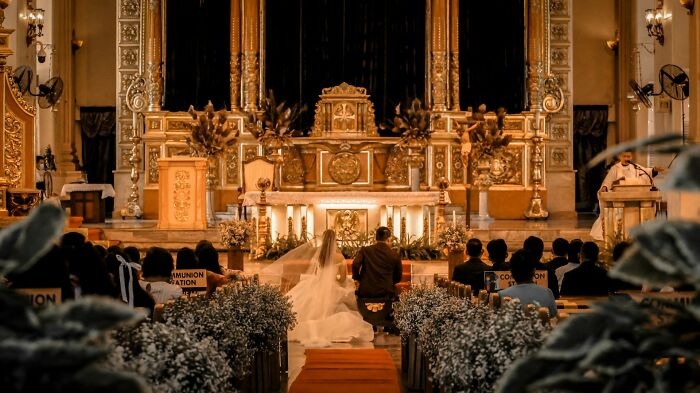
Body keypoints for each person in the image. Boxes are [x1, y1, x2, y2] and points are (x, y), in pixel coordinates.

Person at [285, 229, 374, 346]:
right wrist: (336, 279)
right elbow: (342, 279)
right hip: (332, 288)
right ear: (334, 241)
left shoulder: (319, 256)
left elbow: (317, 274)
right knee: (346, 297)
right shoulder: (339, 257)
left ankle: (311, 328)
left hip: (317, 285)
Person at [590, 151, 663, 240]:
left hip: (634, 199)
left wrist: (655, 169)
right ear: (620, 157)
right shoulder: (615, 168)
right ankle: (619, 235)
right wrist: (604, 187)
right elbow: (608, 181)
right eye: (624, 156)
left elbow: (648, 171)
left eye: (628, 156)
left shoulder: (636, 167)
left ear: (631, 157)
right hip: (619, 197)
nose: (627, 158)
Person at [500, 249, 557, 318]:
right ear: (534, 271)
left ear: (511, 272)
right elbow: (553, 316)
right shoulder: (547, 293)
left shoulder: (502, 295)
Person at [352, 226, 403, 299]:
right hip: (387, 293)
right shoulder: (394, 254)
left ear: (375, 239)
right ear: (388, 240)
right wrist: (390, 281)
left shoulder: (365, 250)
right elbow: (398, 277)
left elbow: (355, 264)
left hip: (366, 292)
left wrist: (358, 279)